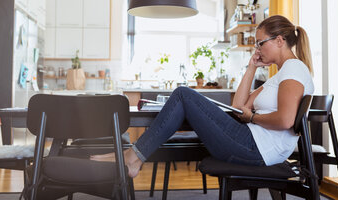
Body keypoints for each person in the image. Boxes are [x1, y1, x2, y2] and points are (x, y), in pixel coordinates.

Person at [91, 15, 315, 178]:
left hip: (255, 148)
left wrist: (252, 118)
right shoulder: (280, 75)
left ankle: (133, 157)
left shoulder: (293, 69)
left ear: (279, 40)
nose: (256, 49)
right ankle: (133, 156)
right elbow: (239, 106)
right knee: (183, 96)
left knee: (182, 95)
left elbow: (285, 120)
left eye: (260, 43)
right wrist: (251, 68)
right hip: (250, 142)